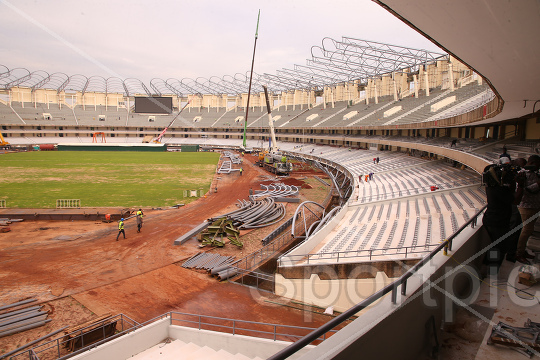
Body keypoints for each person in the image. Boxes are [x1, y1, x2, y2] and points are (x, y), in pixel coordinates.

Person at [482, 158, 519, 272]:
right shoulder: (498, 189)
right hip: (497, 222)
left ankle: (488, 267)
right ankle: (492, 270)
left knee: (496, 246)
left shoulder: (492, 187)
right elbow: (515, 200)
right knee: (499, 247)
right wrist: (520, 185)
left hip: (493, 220)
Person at [515, 155, 540, 261]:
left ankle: (522, 251)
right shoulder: (522, 174)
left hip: (533, 206)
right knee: (526, 231)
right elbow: (523, 190)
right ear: (533, 163)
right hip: (526, 206)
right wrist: (538, 184)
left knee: (528, 231)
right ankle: (519, 253)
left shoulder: (534, 174)